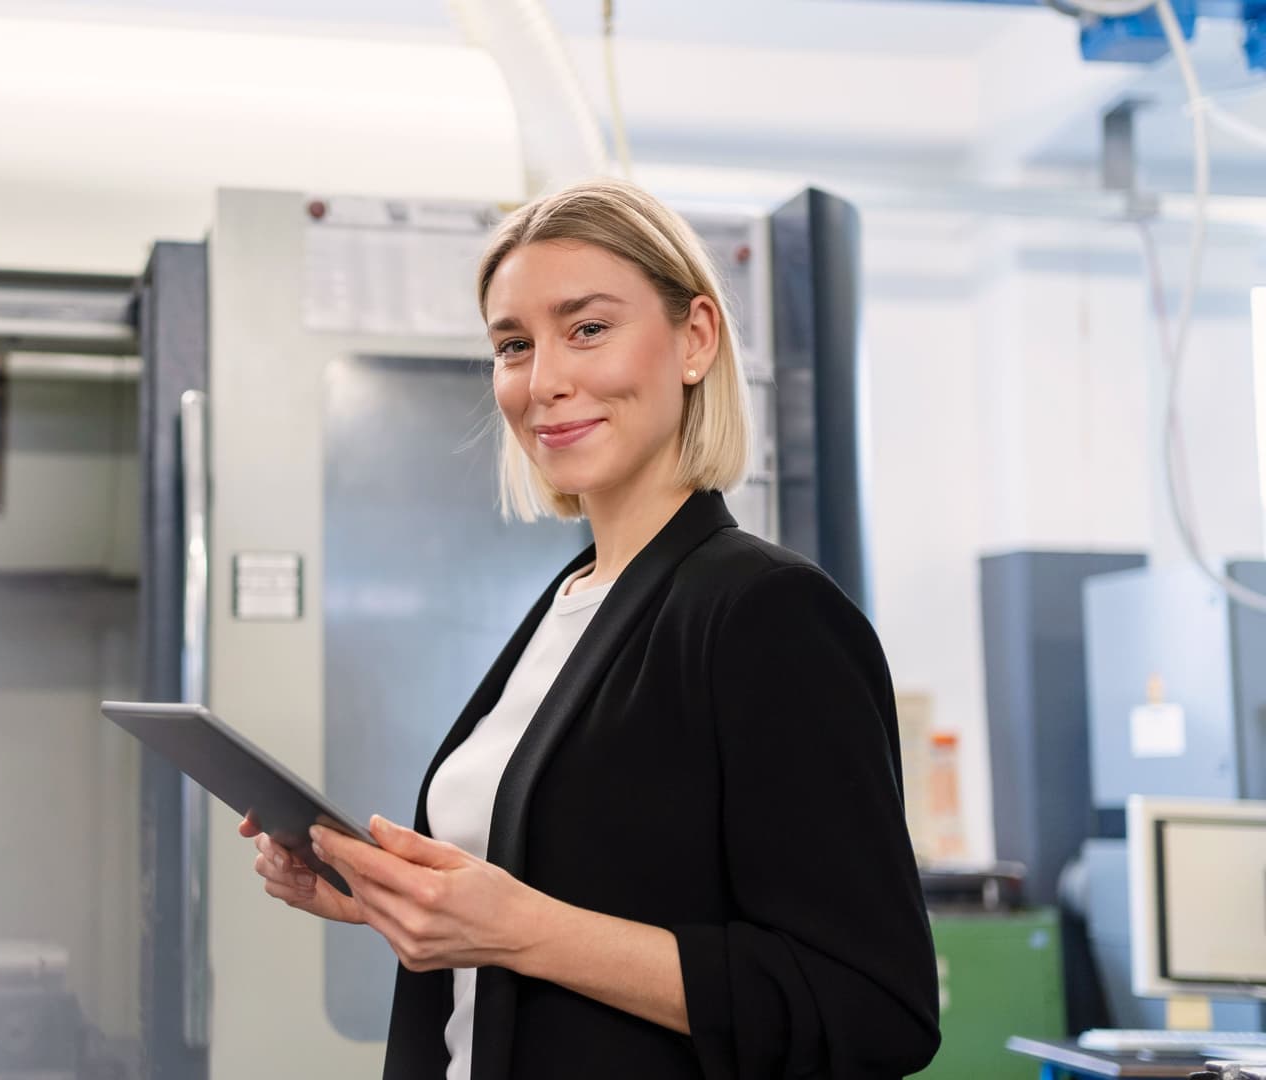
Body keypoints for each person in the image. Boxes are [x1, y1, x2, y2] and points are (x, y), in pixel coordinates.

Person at [239, 178, 940, 1080]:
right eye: (514, 345)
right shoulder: (569, 602)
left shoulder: (764, 612)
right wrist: (392, 901)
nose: (546, 382)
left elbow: (872, 1007)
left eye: (588, 329)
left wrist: (524, 931)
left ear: (694, 339)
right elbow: (560, 901)